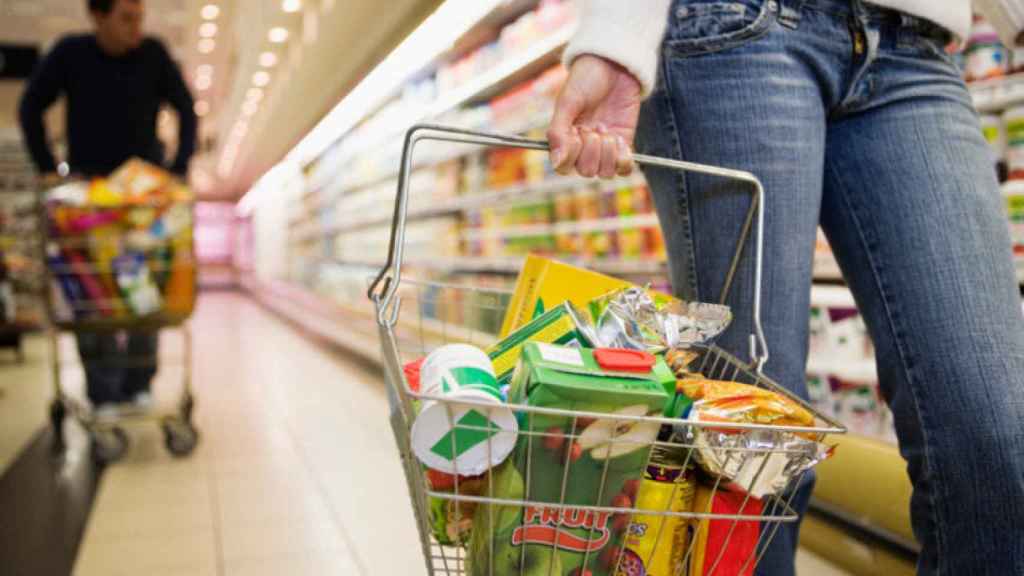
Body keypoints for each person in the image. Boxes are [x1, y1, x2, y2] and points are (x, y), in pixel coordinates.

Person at [548, 1, 1024, 575]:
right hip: (733, 32)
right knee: (754, 453)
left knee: (993, 437)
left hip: (916, 51)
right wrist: (616, 34)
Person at [18, 0, 197, 416]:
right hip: (89, 198)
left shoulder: (153, 54)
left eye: (140, 18)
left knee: (144, 293)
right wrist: (48, 168)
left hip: (141, 200)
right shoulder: (69, 53)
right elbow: (30, 107)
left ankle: (138, 383)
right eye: (126, 18)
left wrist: (179, 168)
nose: (137, 28)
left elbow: (185, 108)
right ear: (97, 17)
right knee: (91, 296)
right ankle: (102, 390)